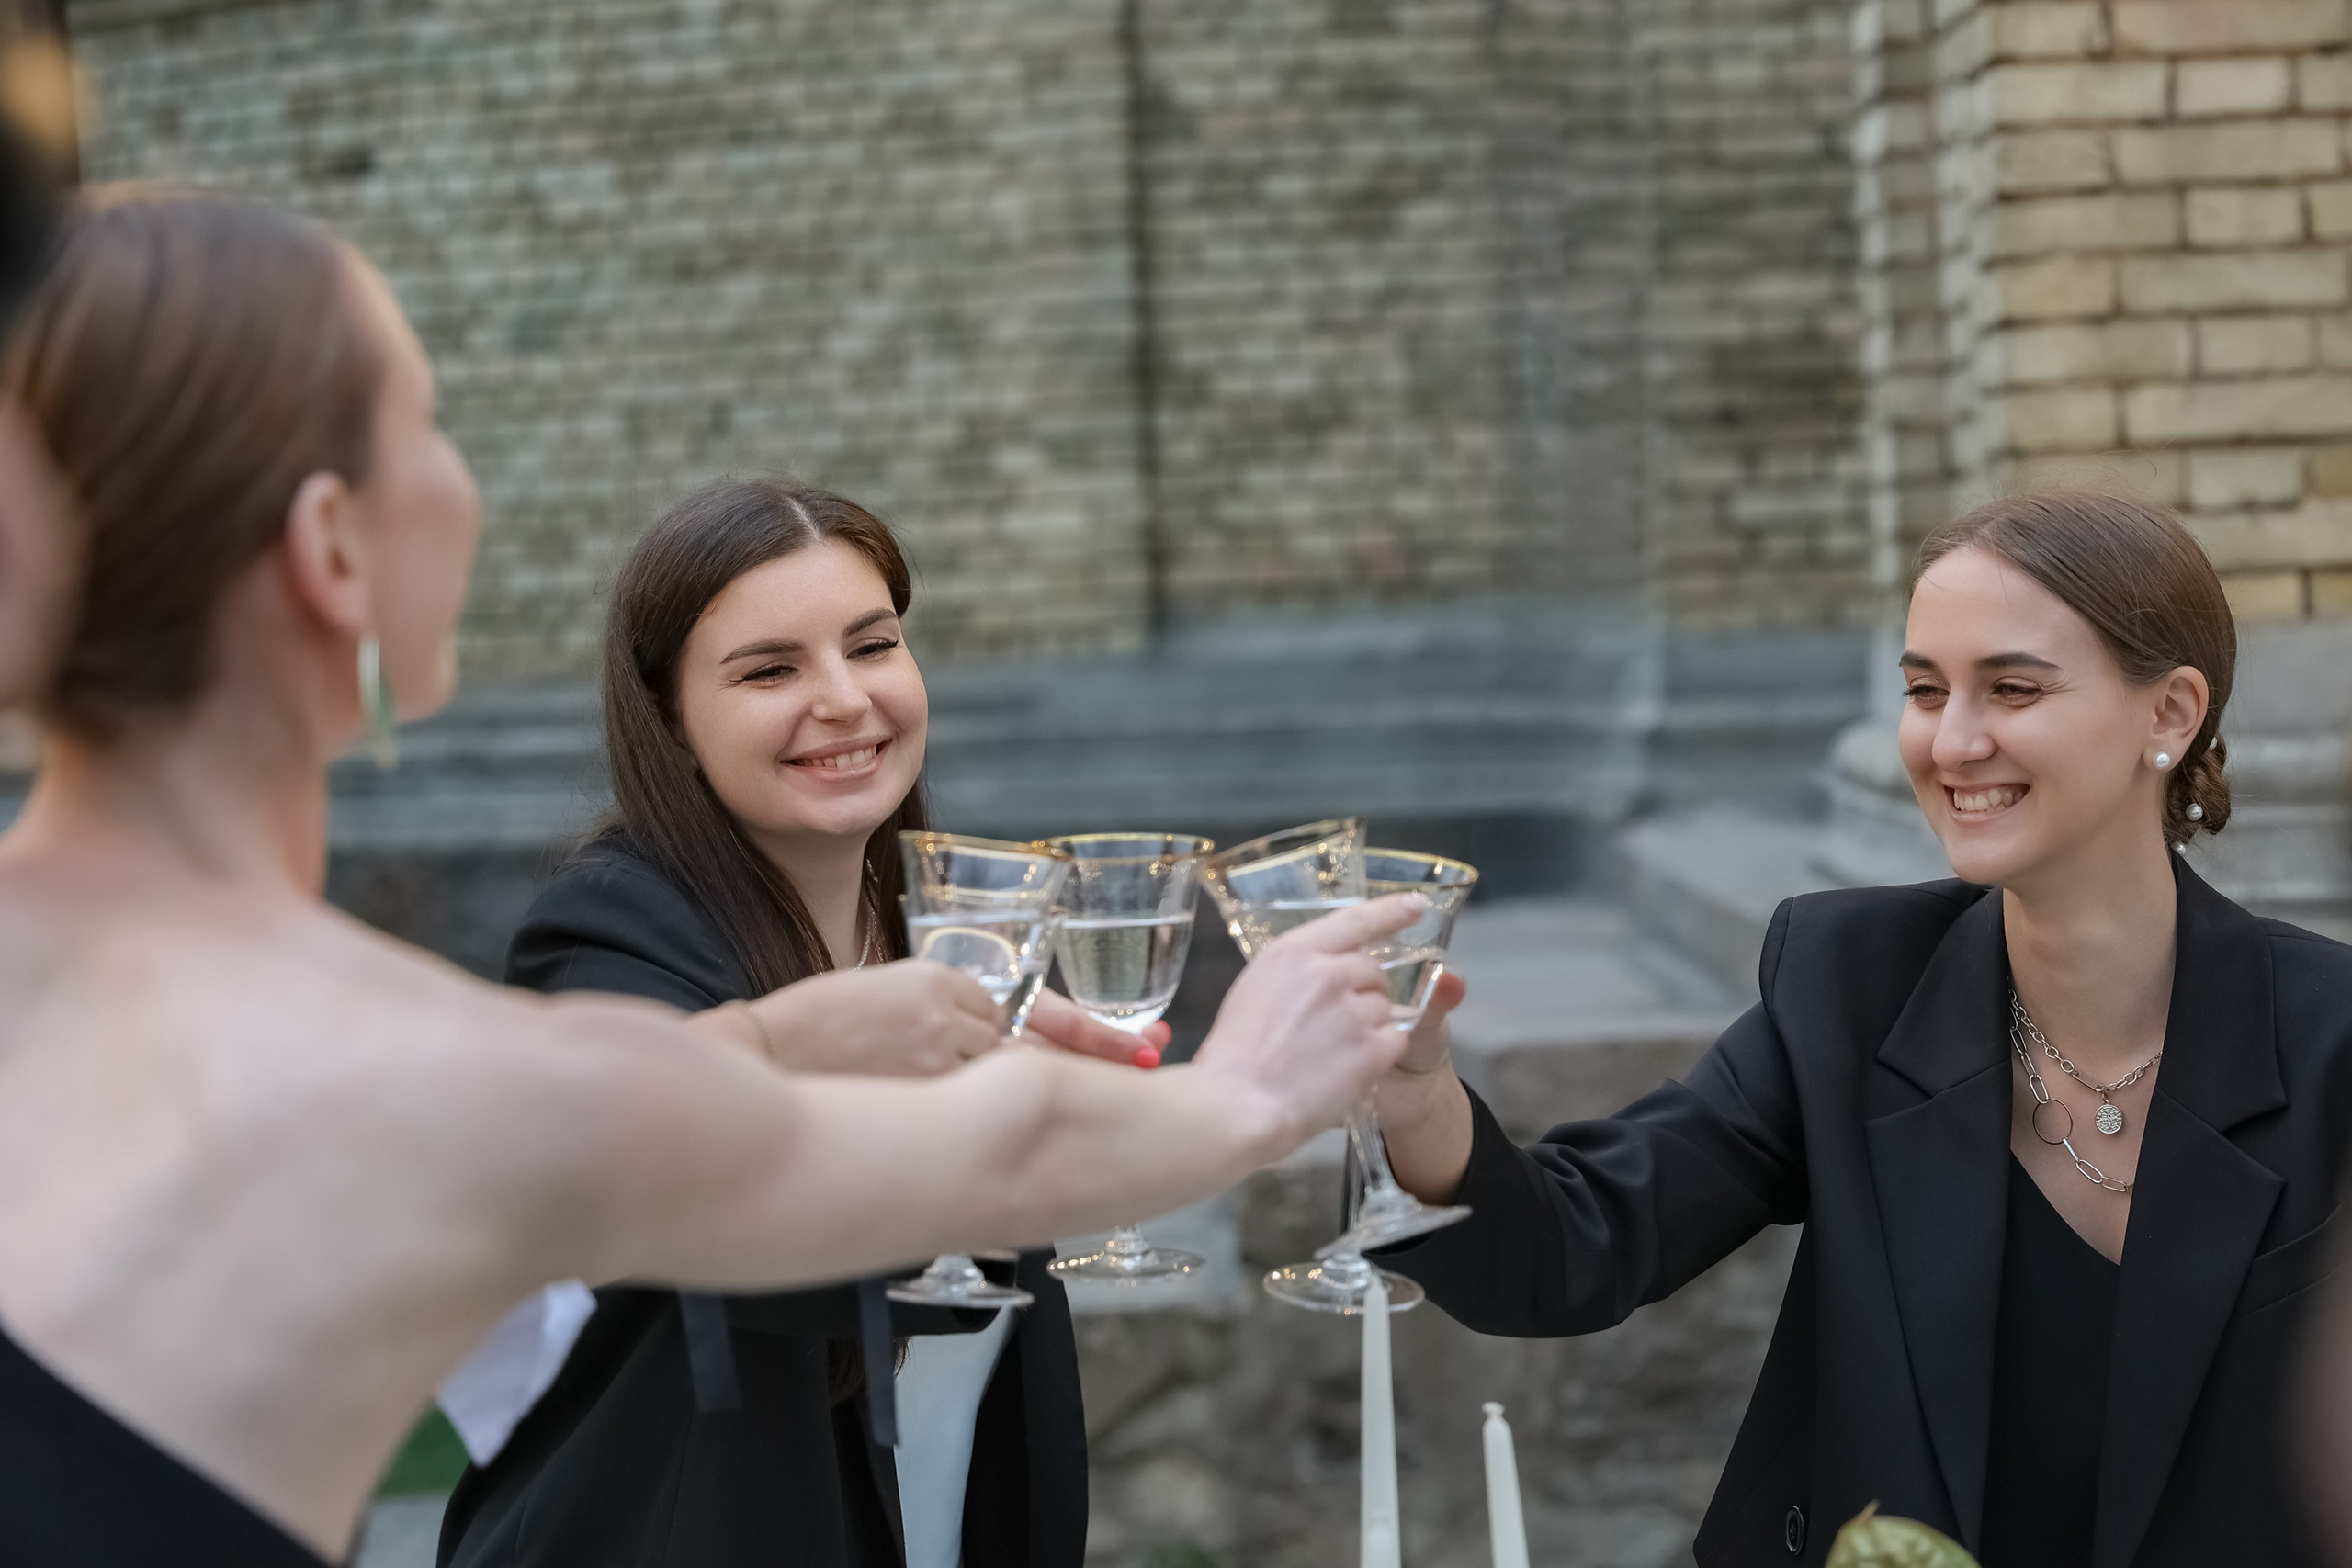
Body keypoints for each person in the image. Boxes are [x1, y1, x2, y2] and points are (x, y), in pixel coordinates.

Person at [0, 186, 1417, 1568]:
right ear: (332, 546)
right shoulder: (383, 1057)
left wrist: (795, 1030)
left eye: (873, 644)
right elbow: (998, 1152)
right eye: (425, 421)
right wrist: (1255, 1089)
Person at [1374, 492, 2351, 1567]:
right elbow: (1570, 1246)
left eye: (2012, 688)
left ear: (2168, 715)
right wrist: (1417, 1098)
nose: (1952, 741)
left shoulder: (2328, 1037)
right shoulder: (1850, 988)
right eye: (1924, 691)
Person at [439, 481, 1104, 1568]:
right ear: (671, 721)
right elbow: (740, 1235)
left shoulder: (949, 925)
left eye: (872, 645)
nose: (844, 699)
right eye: (770, 669)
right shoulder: (612, 931)